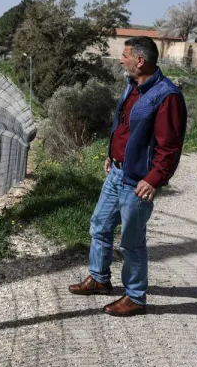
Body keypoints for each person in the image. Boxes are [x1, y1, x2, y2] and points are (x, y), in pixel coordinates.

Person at [68, 36, 187, 316]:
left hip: (138, 181)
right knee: (100, 225)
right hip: (117, 172)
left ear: (140, 61)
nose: (121, 60)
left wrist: (154, 178)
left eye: (125, 56)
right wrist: (112, 155)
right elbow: (123, 127)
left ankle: (135, 297)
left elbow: (169, 146)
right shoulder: (132, 85)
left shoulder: (167, 96)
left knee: (131, 242)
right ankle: (99, 279)